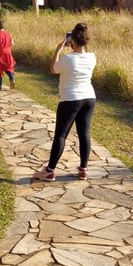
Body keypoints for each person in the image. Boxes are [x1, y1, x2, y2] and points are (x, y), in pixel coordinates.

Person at [33, 22, 96, 182]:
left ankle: (50, 171)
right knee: (84, 133)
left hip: (70, 99)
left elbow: (53, 69)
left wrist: (58, 49)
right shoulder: (92, 57)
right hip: (89, 98)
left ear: (72, 40)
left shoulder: (67, 59)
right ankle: (83, 170)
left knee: (61, 135)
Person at [0, 18, 16, 90]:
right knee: (8, 68)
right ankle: (12, 79)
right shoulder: (8, 34)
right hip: (8, 53)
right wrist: (7, 47)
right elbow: (12, 43)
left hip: (1, 54)